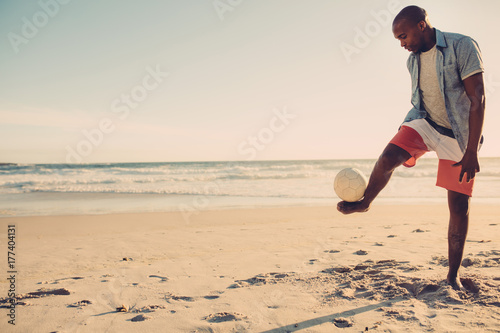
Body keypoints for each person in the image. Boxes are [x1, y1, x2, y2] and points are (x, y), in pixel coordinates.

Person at [337, 5, 485, 291]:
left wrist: (471, 152)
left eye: (403, 36)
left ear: (421, 25)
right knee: (388, 157)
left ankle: (452, 275)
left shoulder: (462, 46)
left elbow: (478, 98)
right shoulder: (412, 61)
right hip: (426, 122)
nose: (402, 44)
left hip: (460, 136)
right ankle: (366, 202)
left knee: (458, 206)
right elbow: (422, 100)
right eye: (398, 39)